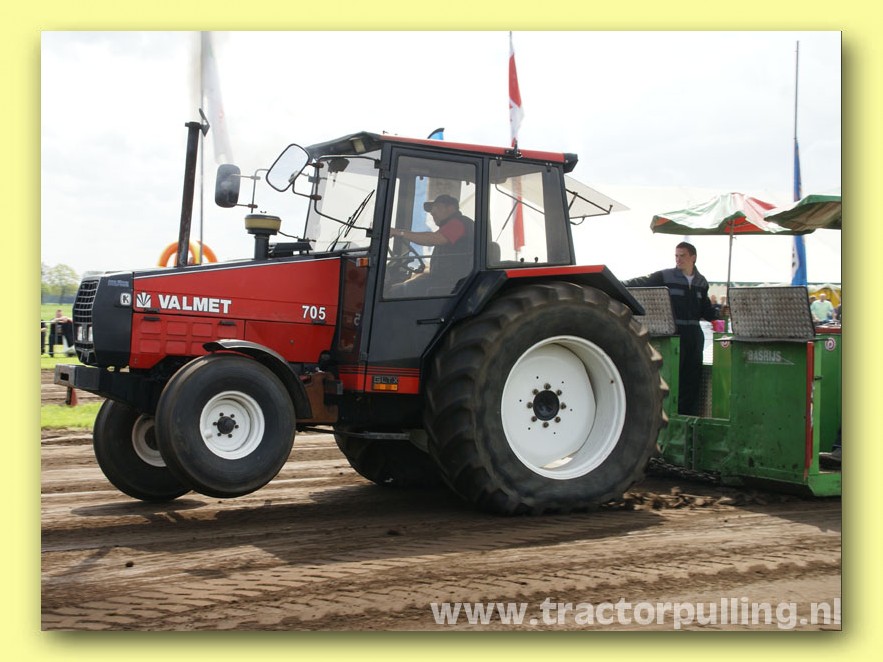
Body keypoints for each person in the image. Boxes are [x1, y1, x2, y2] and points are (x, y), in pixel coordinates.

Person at [623, 241, 717, 416]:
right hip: (675, 335)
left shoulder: (701, 282)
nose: (678, 259)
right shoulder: (665, 277)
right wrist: (616, 284)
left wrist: (718, 315)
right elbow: (640, 282)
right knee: (673, 377)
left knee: (692, 380)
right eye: (676, 256)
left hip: (695, 336)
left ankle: (687, 417)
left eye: (682, 256)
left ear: (693, 258)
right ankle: (669, 416)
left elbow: (705, 309)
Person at [388, 194, 474, 296]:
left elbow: (433, 239)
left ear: (451, 208)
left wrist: (399, 232)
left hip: (453, 284)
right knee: (401, 286)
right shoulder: (450, 227)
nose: (432, 212)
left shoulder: (459, 223)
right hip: (447, 280)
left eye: (437, 207)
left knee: (397, 292)